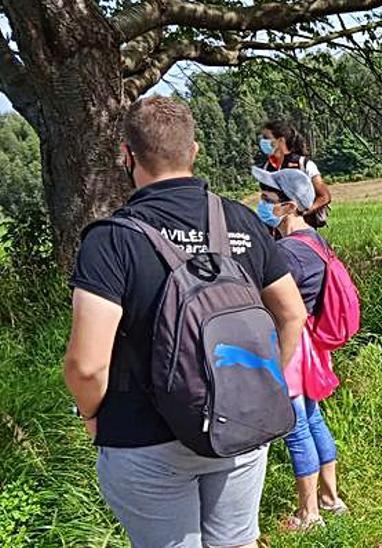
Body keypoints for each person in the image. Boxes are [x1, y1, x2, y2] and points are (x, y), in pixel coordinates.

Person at [65, 96, 307, 547]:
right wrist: (265, 382)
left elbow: (86, 366)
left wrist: (91, 414)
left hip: (143, 437)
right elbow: (292, 312)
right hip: (240, 425)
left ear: (127, 155)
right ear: (193, 151)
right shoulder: (240, 219)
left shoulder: (112, 240)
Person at [253, 168, 348, 530]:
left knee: (295, 428)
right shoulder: (314, 241)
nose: (261, 204)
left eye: (267, 199)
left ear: (289, 205)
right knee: (312, 419)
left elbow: (274, 303)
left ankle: (309, 514)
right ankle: (330, 497)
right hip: (310, 343)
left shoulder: (287, 252)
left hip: (289, 343)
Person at [261, 120, 332, 228]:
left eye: (267, 138)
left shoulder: (304, 164)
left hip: (302, 229)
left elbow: (324, 196)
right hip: (276, 231)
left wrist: (302, 212)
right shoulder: (267, 168)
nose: (263, 142)